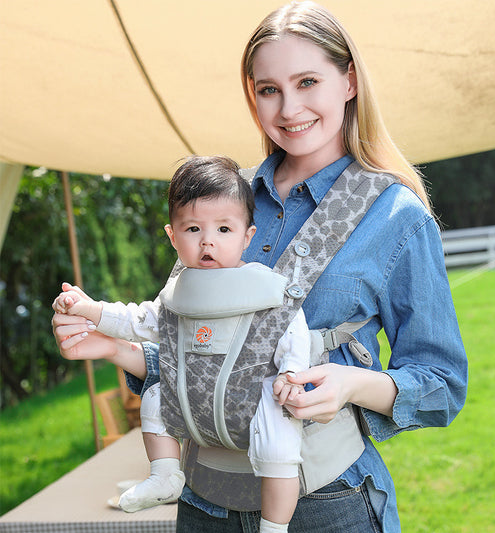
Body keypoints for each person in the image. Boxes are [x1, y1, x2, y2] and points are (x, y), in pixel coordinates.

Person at [52, 2, 468, 531]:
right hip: (202, 504)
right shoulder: (222, 204)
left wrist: (350, 384)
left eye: (308, 81)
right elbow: (192, 357)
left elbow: (441, 383)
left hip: (325, 505)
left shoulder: (395, 217)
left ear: (349, 81)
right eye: (269, 89)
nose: (289, 108)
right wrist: (113, 347)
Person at [53, 155, 311, 532]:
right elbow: (138, 322)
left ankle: (274, 526)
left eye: (224, 229)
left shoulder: (263, 284)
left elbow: (292, 326)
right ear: (173, 236)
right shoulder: (178, 291)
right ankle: (164, 473)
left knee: (280, 441)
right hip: (199, 414)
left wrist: (291, 369)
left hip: (254, 399)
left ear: (248, 236)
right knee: (157, 393)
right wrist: (91, 310)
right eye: (193, 229)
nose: (208, 240)